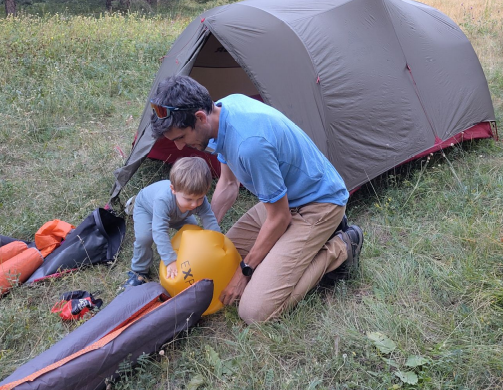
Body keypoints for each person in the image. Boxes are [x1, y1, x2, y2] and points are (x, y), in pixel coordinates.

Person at [149, 74, 364, 324]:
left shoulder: (250, 146)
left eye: (180, 138)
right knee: (221, 261)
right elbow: (228, 184)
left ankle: (341, 246)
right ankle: (301, 245)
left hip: (318, 205)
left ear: (199, 118)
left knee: (254, 310)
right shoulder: (222, 110)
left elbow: (280, 217)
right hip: (283, 201)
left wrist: (245, 272)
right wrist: (205, 237)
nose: (179, 148)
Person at [124, 156, 221, 287]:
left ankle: (188, 258)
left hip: (178, 215)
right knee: (145, 237)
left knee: (192, 231)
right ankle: (139, 270)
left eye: (200, 198)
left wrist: (217, 242)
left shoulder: (198, 200)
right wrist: (169, 260)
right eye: (188, 199)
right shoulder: (163, 200)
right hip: (147, 209)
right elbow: (159, 230)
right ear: (173, 189)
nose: (194, 204)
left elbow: (209, 219)